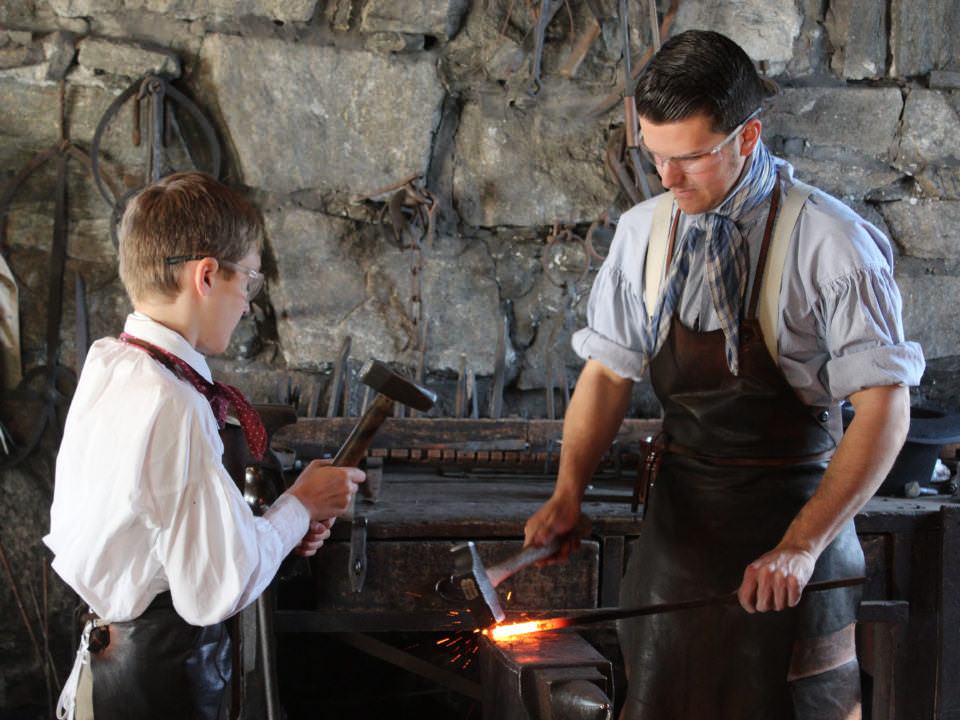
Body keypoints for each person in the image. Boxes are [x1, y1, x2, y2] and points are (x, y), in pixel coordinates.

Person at [524, 30, 925, 719]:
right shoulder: (642, 234)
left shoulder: (831, 245)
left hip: (798, 536)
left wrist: (800, 547)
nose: (667, 180)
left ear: (747, 137)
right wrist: (568, 492)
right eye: (654, 158)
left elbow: (886, 409)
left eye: (689, 160)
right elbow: (608, 375)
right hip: (679, 542)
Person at [45, 171, 365, 720]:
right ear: (207, 275)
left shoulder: (112, 363)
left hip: (115, 666)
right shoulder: (175, 403)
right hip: (155, 686)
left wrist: (277, 534)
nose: (248, 304)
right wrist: (301, 504)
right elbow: (218, 585)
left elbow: (169, 534)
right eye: (250, 282)